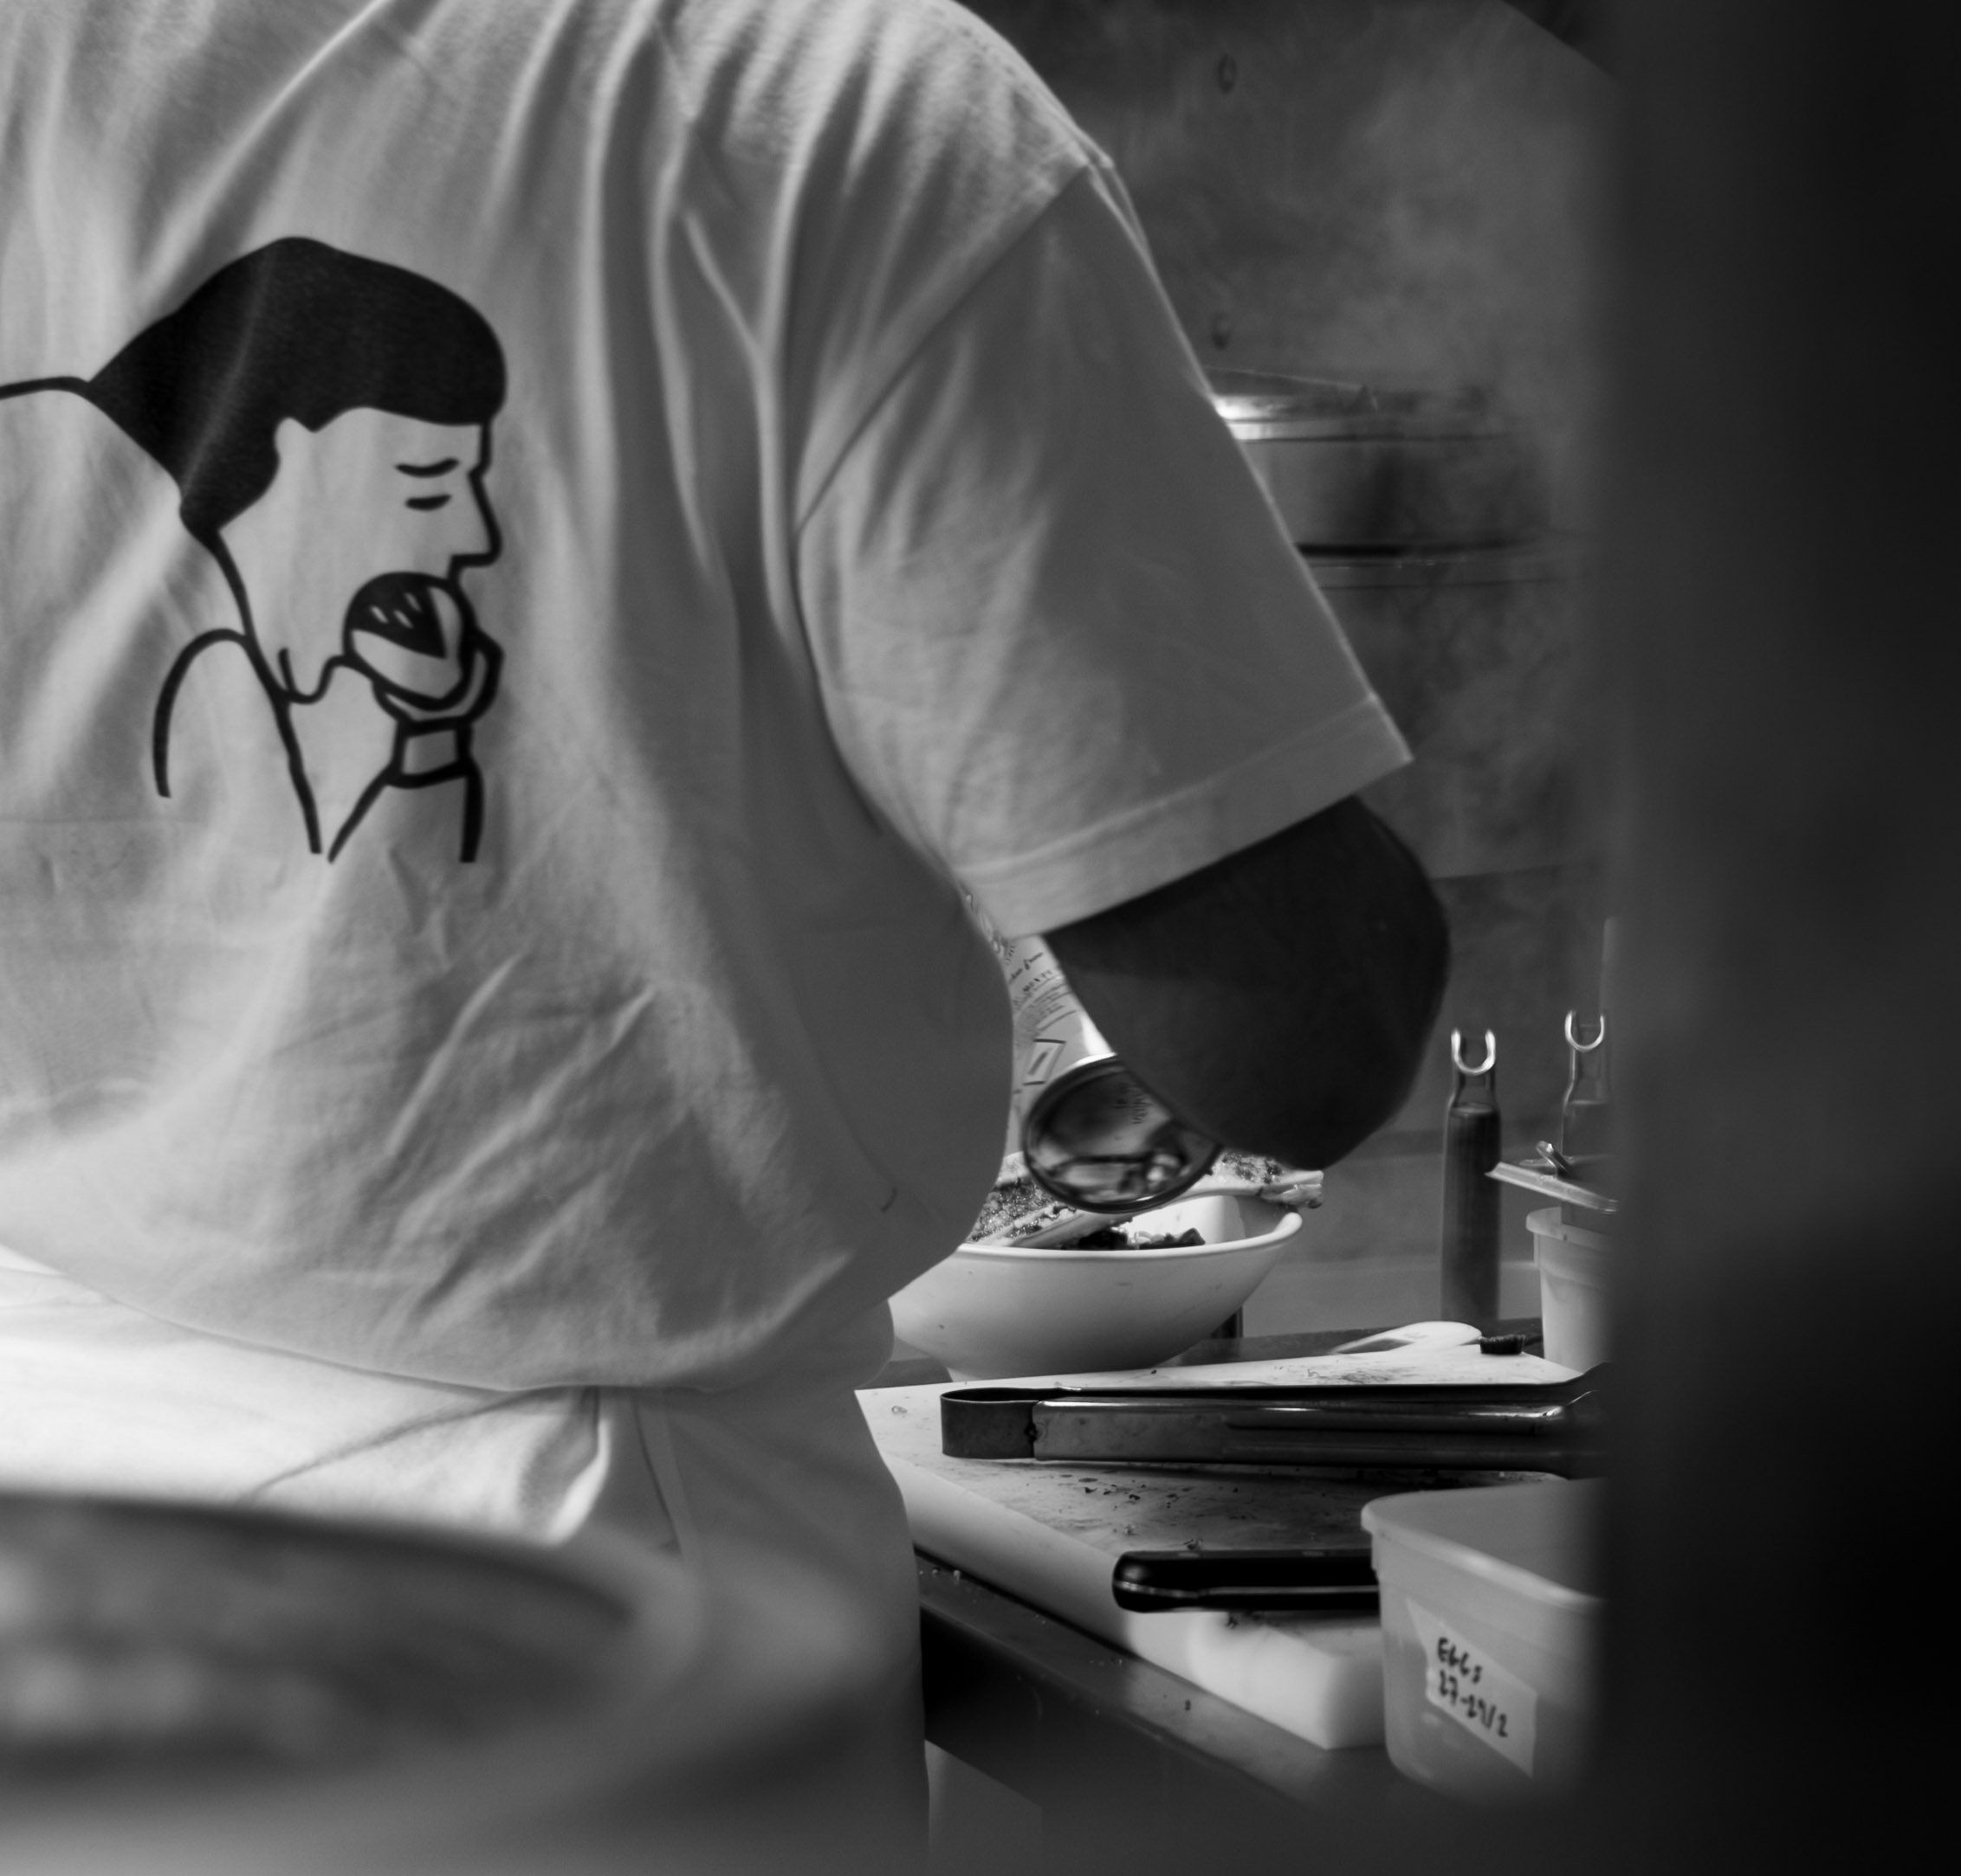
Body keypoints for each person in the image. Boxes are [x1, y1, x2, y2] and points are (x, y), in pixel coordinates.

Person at [0, 0, 1444, 1766]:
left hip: (52, 1549)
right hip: (568, 1602)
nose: (464, 534)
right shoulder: (833, 113)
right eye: (429, 488)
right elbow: (1297, 1030)